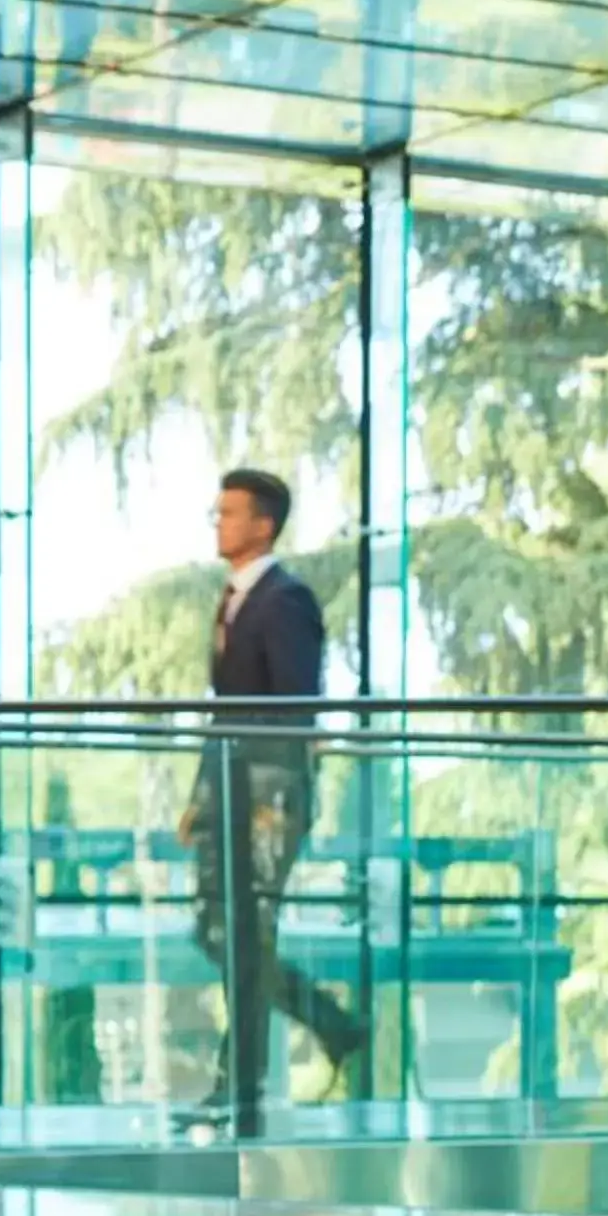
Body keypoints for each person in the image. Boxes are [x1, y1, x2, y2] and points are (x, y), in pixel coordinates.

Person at [179, 468, 364, 1134]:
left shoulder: (286, 601)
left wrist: (272, 801)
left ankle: (241, 1087)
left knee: (245, 938)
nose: (219, 523)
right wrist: (201, 798)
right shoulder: (231, 600)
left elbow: (295, 705)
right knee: (218, 932)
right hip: (228, 794)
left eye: (229, 513)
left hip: (265, 798)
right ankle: (327, 1023)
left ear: (263, 524)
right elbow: (223, 711)